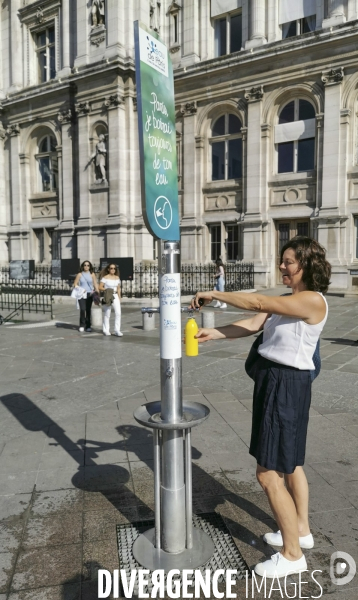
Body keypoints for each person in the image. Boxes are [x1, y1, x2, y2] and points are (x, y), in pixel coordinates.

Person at [191, 236, 331, 578]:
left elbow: (255, 303)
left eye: (288, 262)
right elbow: (254, 324)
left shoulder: (312, 300)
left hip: (284, 385)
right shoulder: (289, 300)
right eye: (282, 260)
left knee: (268, 472)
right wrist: (217, 333)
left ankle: (292, 554)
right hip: (281, 383)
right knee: (291, 463)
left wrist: (216, 293)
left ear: (306, 265)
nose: (282, 266)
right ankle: (301, 531)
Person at [73, 261, 99, 332]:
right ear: (83, 266)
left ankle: (88, 325)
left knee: (88, 310)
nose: (86, 266)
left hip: (89, 294)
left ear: (90, 266)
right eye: (85, 265)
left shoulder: (92, 274)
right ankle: (82, 325)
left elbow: (95, 283)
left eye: (88, 265)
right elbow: (75, 284)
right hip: (82, 294)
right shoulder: (79, 274)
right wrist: (80, 289)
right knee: (82, 309)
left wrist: (97, 291)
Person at [99, 263, 123, 337]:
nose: (113, 270)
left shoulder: (117, 277)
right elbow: (100, 287)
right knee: (107, 313)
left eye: (114, 268)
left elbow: (118, 288)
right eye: (111, 268)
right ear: (108, 269)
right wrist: (107, 289)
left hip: (115, 295)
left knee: (118, 313)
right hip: (108, 295)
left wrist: (119, 297)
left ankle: (117, 330)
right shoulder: (105, 277)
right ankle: (106, 330)